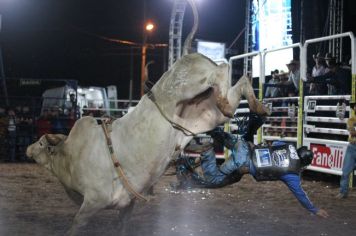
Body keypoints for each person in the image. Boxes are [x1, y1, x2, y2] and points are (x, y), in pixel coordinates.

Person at [177, 113, 329, 218]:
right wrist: (314, 210)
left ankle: (196, 121)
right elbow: (300, 194)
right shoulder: (292, 174)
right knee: (213, 180)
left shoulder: (287, 146)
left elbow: (272, 144)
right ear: (303, 164)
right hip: (244, 162)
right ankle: (207, 151)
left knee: (218, 134)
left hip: (244, 145)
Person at [337, 102, 356, 198]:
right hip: (352, 146)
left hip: (352, 147)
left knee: (346, 171)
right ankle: (343, 192)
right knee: (345, 171)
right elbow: (352, 131)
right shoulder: (351, 120)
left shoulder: (352, 120)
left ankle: (343, 191)